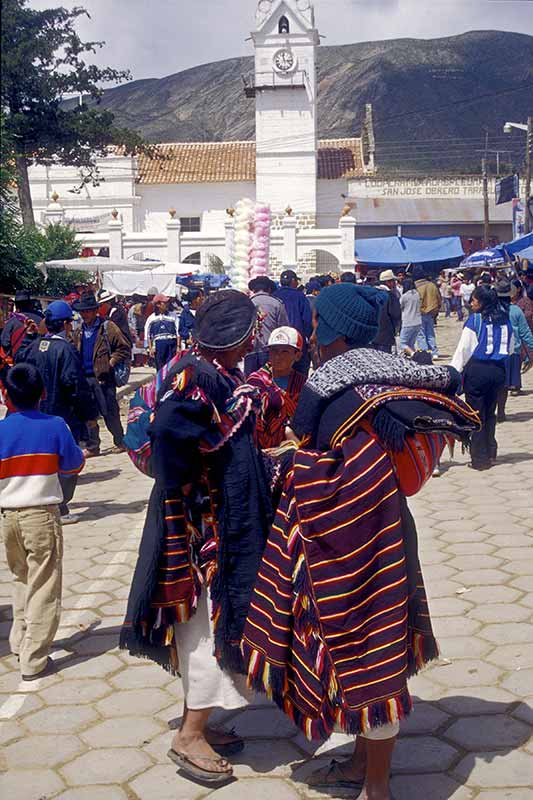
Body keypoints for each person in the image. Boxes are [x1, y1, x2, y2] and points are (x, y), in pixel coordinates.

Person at [242, 283, 478, 800]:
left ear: (339, 332)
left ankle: (377, 787)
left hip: (362, 539)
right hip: (375, 531)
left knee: (373, 655)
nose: (314, 331)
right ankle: (358, 762)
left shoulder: (343, 392)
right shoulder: (381, 375)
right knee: (360, 652)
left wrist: (291, 465)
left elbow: (356, 469)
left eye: (321, 324)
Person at [120, 290, 272, 786]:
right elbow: (168, 435)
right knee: (208, 626)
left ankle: (201, 716)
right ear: (243, 335)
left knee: (204, 627)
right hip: (203, 530)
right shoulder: (198, 377)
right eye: (255, 329)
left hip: (208, 520)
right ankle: (190, 734)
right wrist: (197, 486)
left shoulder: (209, 371)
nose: (259, 336)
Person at [0, 364, 85, 680]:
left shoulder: (1, 430)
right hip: (41, 516)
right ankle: (34, 659)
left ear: (5, 395)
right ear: (44, 393)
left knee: (20, 578)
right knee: (45, 583)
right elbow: (73, 465)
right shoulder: (55, 425)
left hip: (8, 517)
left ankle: (20, 641)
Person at [15, 301, 96, 523]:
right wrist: (89, 416)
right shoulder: (66, 349)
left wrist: (31, 336)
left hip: (36, 414)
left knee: (44, 463)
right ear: (66, 324)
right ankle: (60, 507)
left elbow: (19, 361)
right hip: (62, 416)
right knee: (67, 462)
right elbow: (75, 386)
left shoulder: (34, 346)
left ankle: (47, 505)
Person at [451, 285, 513, 470]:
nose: (471, 303)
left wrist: (452, 372)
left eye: (474, 300)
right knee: (490, 412)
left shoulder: (475, 321)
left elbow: (463, 350)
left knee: (476, 415)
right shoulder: (505, 320)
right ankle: (491, 452)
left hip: (478, 371)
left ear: (482, 302)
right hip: (498, 371)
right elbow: (510, 348)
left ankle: (479, 459)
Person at [73, 291, 131, 455]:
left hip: (104, 378)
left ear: (95, 311)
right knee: (89, 414)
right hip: (86, 378)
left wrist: (111, 362)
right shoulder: (79, 331)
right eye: (82, 311)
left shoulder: (108, 327)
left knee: (110, 412)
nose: (84, 314)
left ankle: (120, 441)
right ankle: (93, 446)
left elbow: (124, 348)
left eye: (87, 311)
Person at [247, 326, 306, 449]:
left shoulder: (303, 384)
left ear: (298, 355)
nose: (278, 356)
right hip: (262, 449)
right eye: (274, 351)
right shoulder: (256, 382)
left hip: (293, 449)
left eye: (285, 351)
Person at [244, 276, 289, 376]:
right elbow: (284, 329)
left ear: (254, 289)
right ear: (269, 289)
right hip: (270, 351)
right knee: (269, 384)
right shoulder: (276, 304)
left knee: (250, 384)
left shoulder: (247, 303)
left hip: (250, 350)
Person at [274, 269, 312, 376]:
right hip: (297, 341)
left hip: (278, 341)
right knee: (299, 374)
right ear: (293, 281)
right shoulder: (300, 296)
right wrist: (309, 340)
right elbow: (307, 321)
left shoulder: (274, 295)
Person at [0, 290, 43, 359]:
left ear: (16, 305)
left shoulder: (11, 322)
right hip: (38, 361)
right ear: (30, 304)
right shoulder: (41, 319)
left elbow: (5, 343)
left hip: (18, 362)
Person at [144, 293, 180, 370]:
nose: (167, 304)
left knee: (171, 367)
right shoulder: (152, 318)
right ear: (158, 305)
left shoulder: (173, 316)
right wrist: (150, 348)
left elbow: (178, 332)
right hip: (159, 345)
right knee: (160, 367)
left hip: (171, 343)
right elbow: (148, 335)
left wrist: (178, 346)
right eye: (165, 302)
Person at [413, 266, 441, 357]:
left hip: (419, 313)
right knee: (430, 333)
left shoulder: (415, 286)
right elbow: (438, 298)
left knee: (420, 335)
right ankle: (434, 352)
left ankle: (425, 353)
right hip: (431, 313)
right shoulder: (432, 285)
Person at [372, 269, 402, 353]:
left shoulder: (371, 293)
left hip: (371, 334)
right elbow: (396, 314)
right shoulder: (390, 296)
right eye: (393, 281)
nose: (395, 283)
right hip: (385, 335)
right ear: (388, 282)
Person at [399, 277, 422, 352]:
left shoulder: (405, 296)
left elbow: (400, 307)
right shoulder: (417, 294)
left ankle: (414, 355)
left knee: (402, 344)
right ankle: (414, 358)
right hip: (418, 321)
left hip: (408, 322)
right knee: (411, 344)